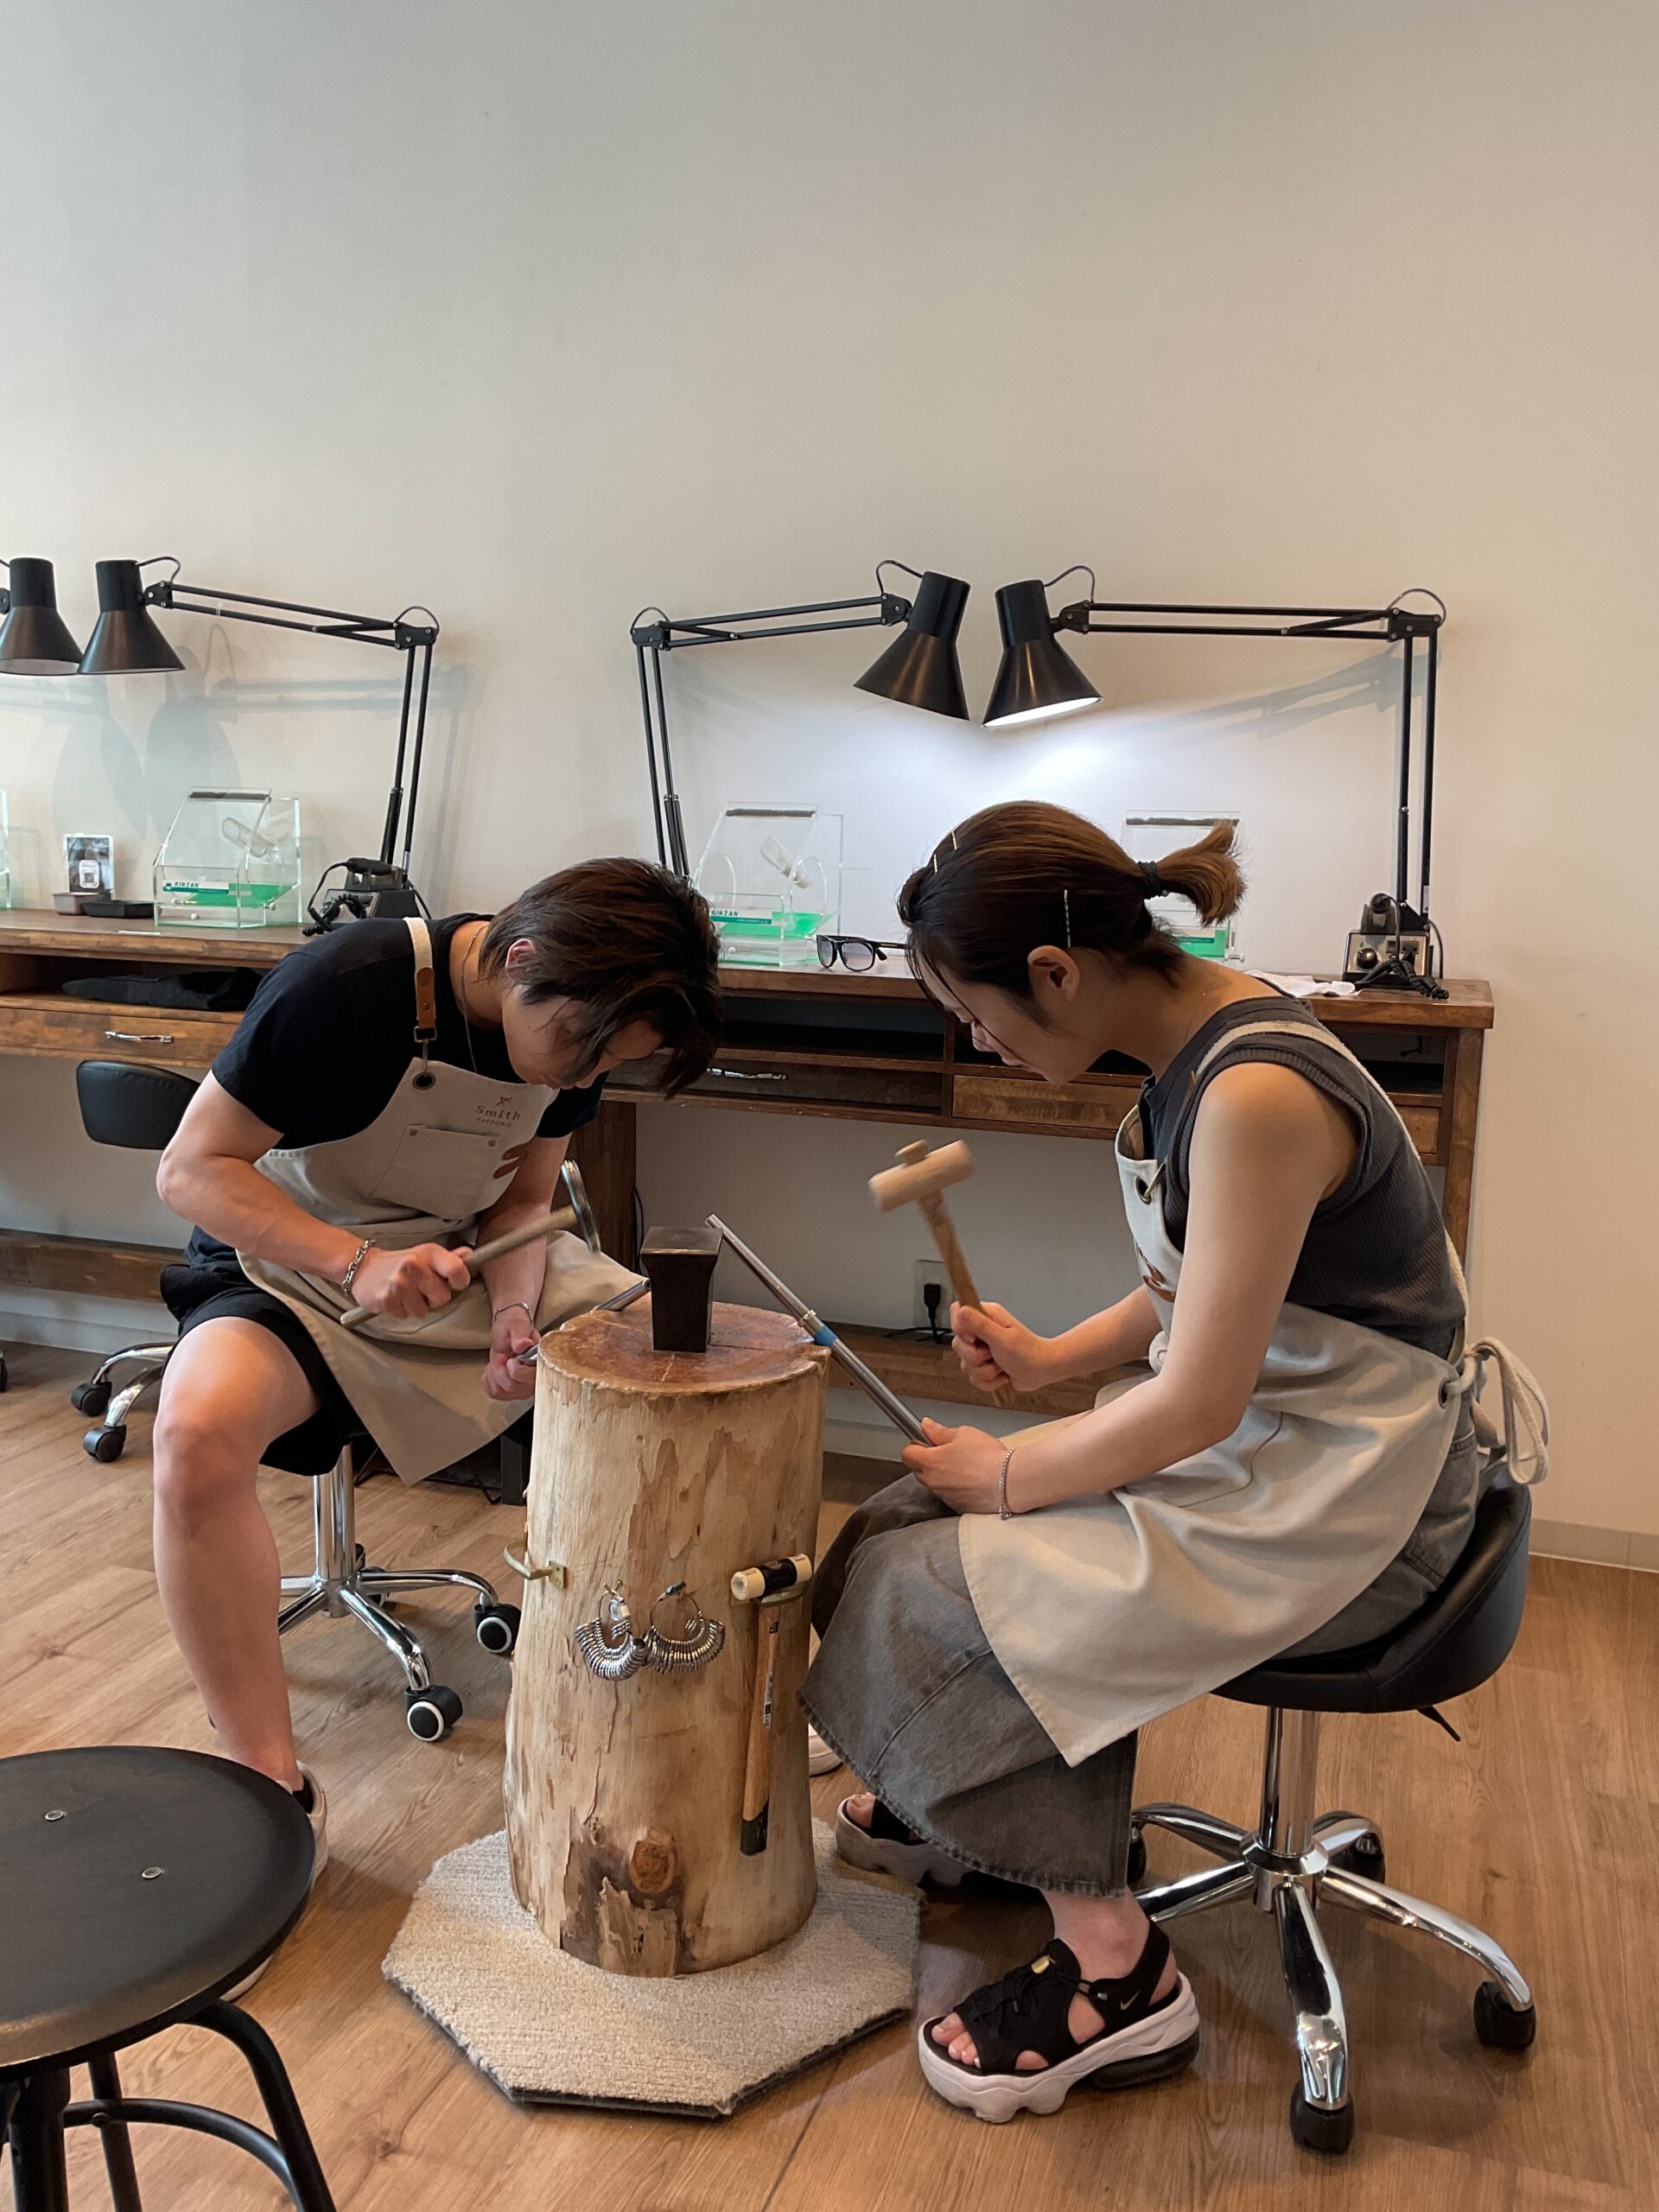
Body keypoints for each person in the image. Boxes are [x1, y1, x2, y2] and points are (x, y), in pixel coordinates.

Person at [804, 802, 1542, 2125]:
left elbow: (1197, 1398)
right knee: (907, 1514)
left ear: (1054, 972)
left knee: (952, 1584)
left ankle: (1119, 1974)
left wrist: (1015, 1476)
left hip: (1362, 1504)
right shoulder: (1201, 1034)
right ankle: (976, 1812)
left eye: (978, 1015)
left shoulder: (1254, 1094)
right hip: (1292, 1441)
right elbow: (1198, 1288)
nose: (978, 1042)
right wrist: (1049, 1360)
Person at [151, 857, 721, 1862]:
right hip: (294, 1264)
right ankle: (266, 1781)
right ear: (522, 959)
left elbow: (521, 1206)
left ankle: (680, 1694)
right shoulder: (343, 989)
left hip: (454, 1266)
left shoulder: (567, 1045)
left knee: (670, 1369)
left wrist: (513, 1314)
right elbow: (190, 1170)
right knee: (195, 1434)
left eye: (610, 1065)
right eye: (583, 1049)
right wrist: (356, 1261)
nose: (584, 1078)